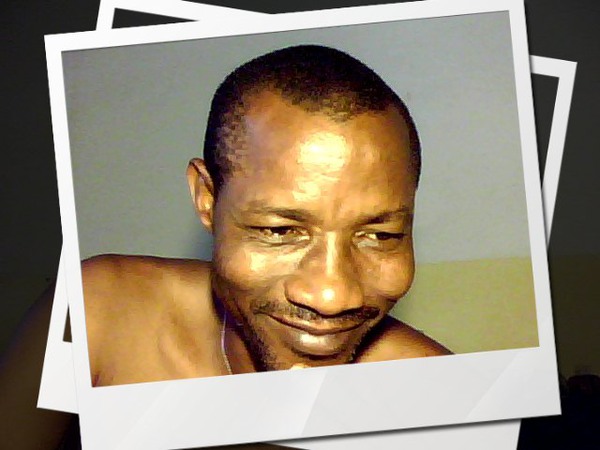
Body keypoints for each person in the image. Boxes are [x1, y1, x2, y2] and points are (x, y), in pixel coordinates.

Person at [82, 44, 450, 386]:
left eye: (380, 236)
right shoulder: (98, 315)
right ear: (207, 198)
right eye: (280, 231)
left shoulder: (439, 395)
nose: (331, 295)